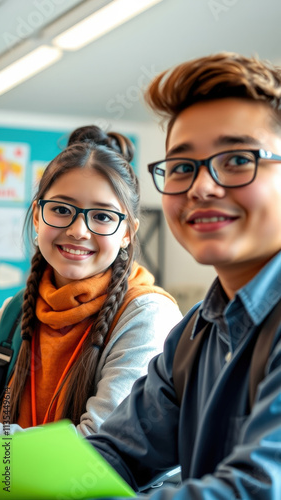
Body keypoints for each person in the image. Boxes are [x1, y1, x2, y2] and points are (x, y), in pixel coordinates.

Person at [87, 53, 281, 499]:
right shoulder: (194, 333)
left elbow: (252, 490)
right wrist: (7, 467)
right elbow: (114, 455)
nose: (202, 187)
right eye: (181, 166)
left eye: (236, 160)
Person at [0, 125, 182, 438]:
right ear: (38, 217)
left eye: (103, 216)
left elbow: (99, 446)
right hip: (12, 485)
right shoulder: (13, 315)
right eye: (61, 209)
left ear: (127, 233)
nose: (79, 230)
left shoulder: (146, 316)